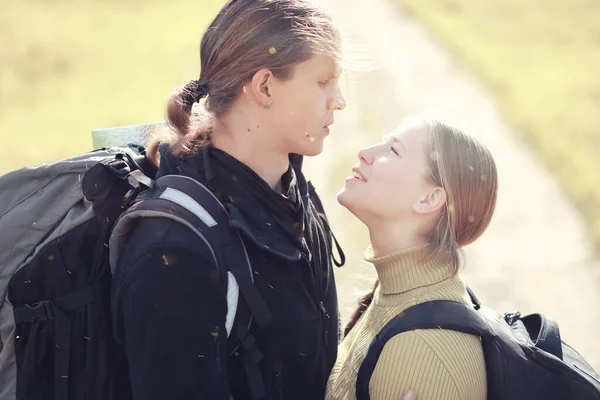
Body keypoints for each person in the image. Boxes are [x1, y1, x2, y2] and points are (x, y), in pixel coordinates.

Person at [110, 1, 346, 399]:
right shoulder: (174, 251)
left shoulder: (296, 192)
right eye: (324, 82)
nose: (339, 101)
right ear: (265, 87)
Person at [326, 118, 498, 400]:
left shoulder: (424, 350)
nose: (365, 152)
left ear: (429, 199)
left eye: (393, 150)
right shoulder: (395, 295)